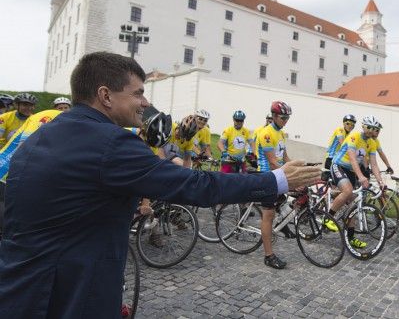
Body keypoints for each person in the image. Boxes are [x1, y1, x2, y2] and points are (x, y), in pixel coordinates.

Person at [0, 52, 320, 318]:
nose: (145, 101)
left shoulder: (44, 133)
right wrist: (278, 180)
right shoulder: (111, 142)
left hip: (21, 288)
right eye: (138, 92)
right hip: (71, 295)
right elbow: (196, 186)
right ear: (105, 95)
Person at [325, 115, 385, 249]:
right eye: (368, 127)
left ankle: (351, 238)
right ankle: (328, 218)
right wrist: (361, 177)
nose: (371, 130)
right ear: (363, 127)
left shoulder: (372, 143)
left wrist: (380, 181)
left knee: (352, 204)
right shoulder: (354, 137)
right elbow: (352, 158)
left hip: (351, 171)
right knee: (347, 191)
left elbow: (374, 164)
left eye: (374, 128)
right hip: (338, 166)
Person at [0, 109, 64, 233]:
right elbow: (24, 149)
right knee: (8, 229)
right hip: (5, 173)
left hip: (14, 176)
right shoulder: (48, 115)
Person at [255, 101, 295, 269]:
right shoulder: (266, 133)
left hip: (277, 174)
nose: (286, 120)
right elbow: (272, 162)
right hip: (266, 176)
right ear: (274, 116)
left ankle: (283, 225)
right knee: (268, 215)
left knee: (285, 201)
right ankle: (268, 256)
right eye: (283, 117)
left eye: (288, 118)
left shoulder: (281, 134)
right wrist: (291, 174)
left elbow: (285, 158)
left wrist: (300, 168)